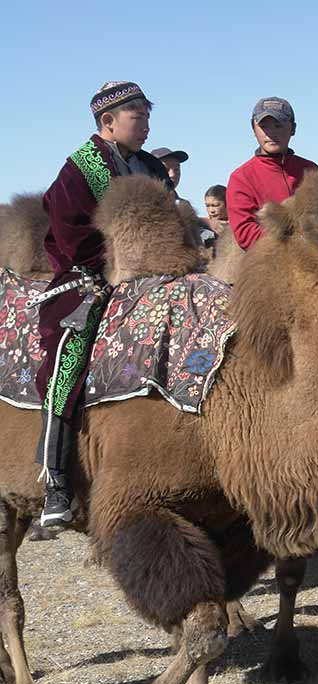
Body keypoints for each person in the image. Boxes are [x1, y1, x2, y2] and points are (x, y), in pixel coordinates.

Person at [35, 81, 173, 526]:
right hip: (89, 277)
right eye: (139, 117)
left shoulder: (150, 165)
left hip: (157, 273)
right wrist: (121, 263)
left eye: (148, 117)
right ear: (108, 121)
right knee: (68, 354)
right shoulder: (79, 170)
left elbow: (169, 216)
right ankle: (56, 479)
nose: (146, 126)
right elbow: (70, 234)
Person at [227, 97, 318, 250]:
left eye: (278, 125)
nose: (270, 133)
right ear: (253, 129)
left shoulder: (311, 171)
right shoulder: (241, 178)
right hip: (271, 258)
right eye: (264, 126)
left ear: (293, 129)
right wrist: (295, 240)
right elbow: (245, 234)